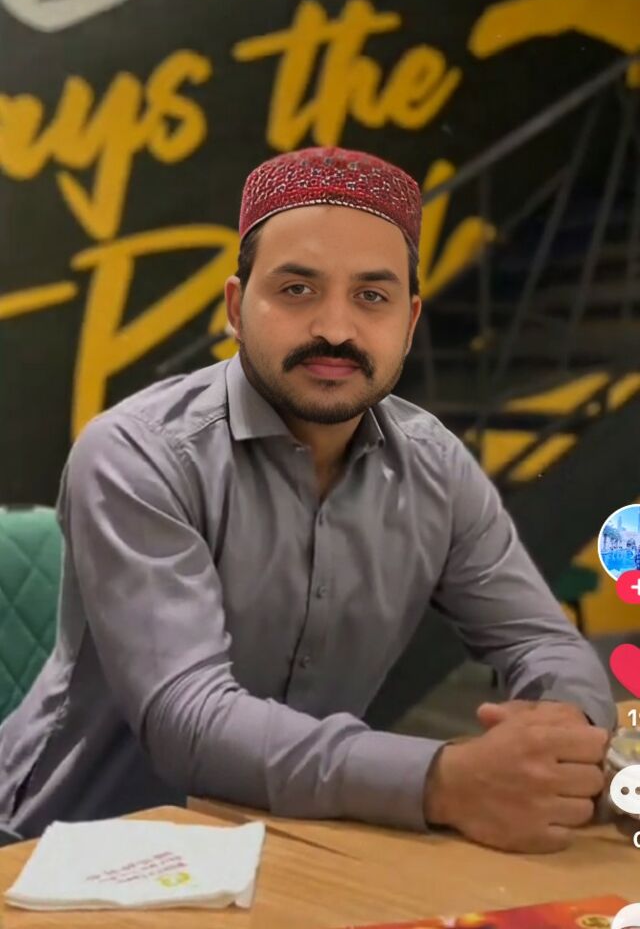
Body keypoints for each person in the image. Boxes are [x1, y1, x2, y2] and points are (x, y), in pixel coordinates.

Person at [0, 147, 615, 853]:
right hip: (60, 852)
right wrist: (442, 780)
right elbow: (188, 718)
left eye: (372, 296)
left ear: (410, 321)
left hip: (291, 848)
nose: (336, 329)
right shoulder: (138, 453)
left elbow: (541, 641)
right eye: (297, 289)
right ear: (237, 307)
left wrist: (560, 742)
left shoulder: (436, 468)